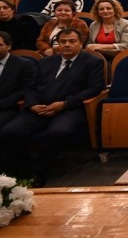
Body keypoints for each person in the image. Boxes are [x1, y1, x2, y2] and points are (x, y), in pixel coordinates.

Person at [0, 28, 104, 185]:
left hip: (69, 109)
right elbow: (30, 87)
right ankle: (22, 172)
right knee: (10, 132)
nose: (67, 45)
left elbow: (94, 89)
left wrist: (64, 104)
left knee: (58, 132)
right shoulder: (45, 62)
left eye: (72, 41)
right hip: (39, 108)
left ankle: (39, 172)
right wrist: (32, 105)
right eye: (63, 42)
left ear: (81, 43)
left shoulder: (92, 62)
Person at [0, 31, 37, 131]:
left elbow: (26, 89)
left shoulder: (24, 65)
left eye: (0, 45)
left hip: (9, 108)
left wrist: (2, 103)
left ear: (9, 46)